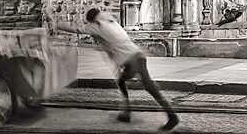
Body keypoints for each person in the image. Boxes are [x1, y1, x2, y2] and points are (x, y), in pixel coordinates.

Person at [48, 8, 178, 130]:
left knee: (150, 87)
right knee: (122, 81)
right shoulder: (110, 21)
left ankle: (171, 116)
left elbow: (78, 28)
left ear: (92, 20)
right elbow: (113, 41)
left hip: (131, 60)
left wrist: (57, 24)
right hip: (137, 55)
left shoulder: (97, 26)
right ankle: (126, 113)